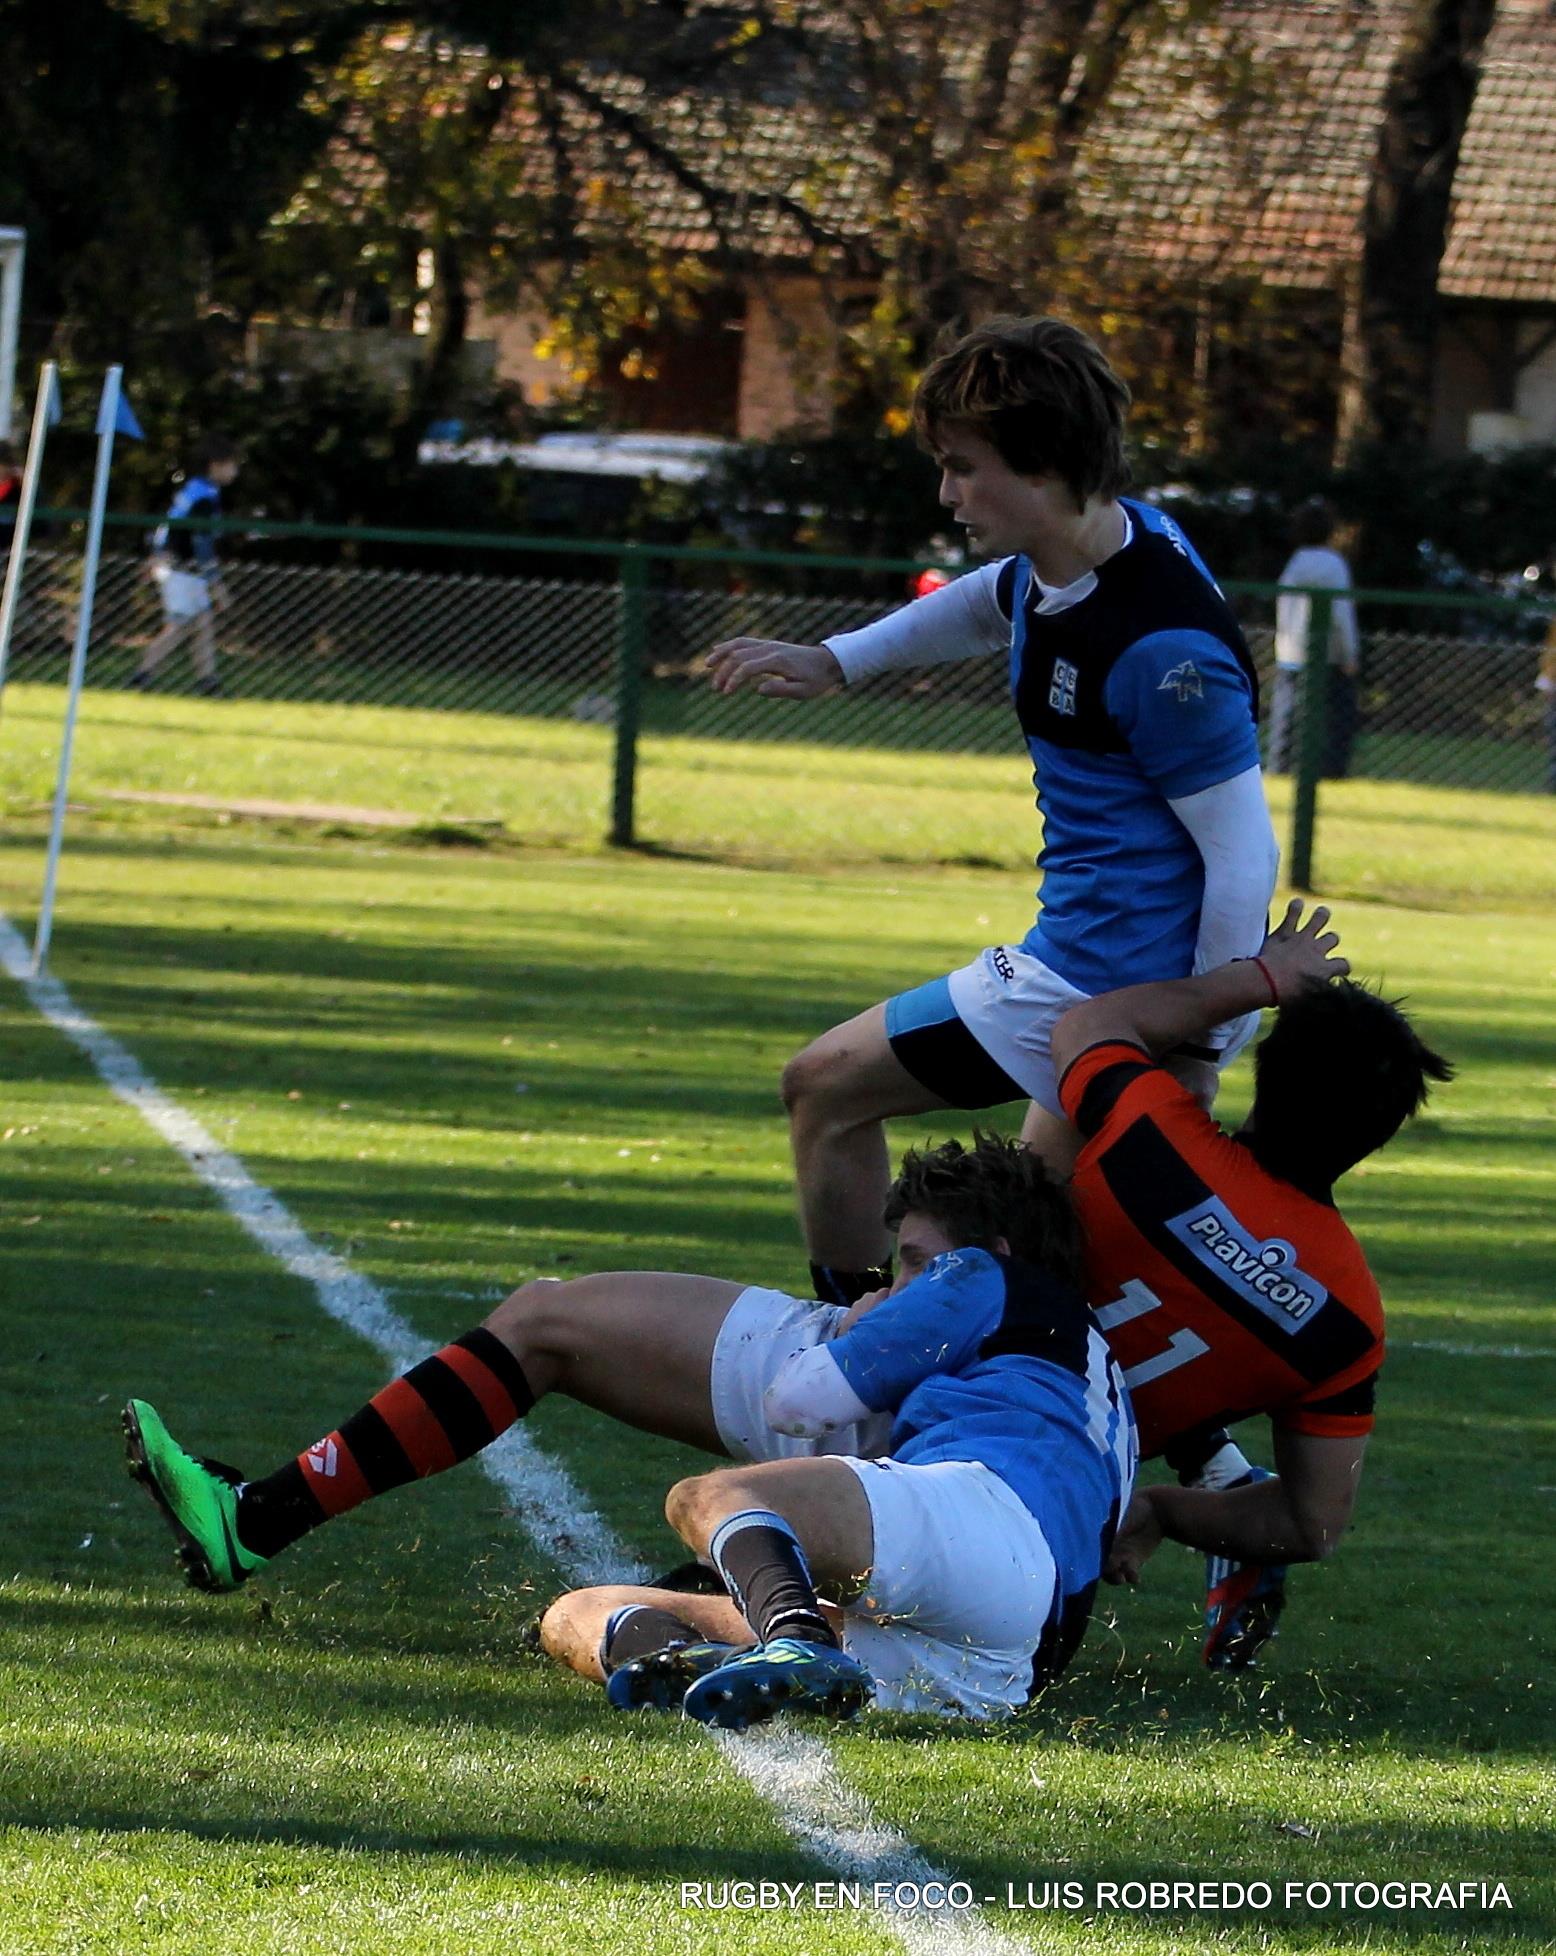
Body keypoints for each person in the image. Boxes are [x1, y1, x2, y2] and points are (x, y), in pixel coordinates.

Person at [705, 316, 1278, 1313]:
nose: (947, 495)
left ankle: (852, 1347)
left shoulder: (1159, 652)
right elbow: (992, 599)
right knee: (1031, 1265)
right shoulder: (1083, 554)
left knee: (832, 1098)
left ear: (1045, 464)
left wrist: (1193, 1049)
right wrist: (836, 659)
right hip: (1083, 975)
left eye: (963, 469)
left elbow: (1241, 860)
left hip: (1097, 990)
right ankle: (1196, 1459)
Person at [539, 1149, 1135, 1726]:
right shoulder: (1092, 1380)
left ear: (994, 1252)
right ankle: (707, 1668)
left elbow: (797, 1400)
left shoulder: (984, 1274)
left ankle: (797, 1641)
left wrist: (860, 1323)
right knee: (576, 1613)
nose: (901, 1287)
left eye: (916, 1264)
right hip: (1013, 1655)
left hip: (990, 1528)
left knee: (707, 1498)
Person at [1047, 900, 1453, 1660]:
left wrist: (1260, 980)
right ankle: (1216, 1471)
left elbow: (1083, 1026)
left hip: (906, 1433)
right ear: (1381, 1133)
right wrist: (1165, 1512)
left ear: (1267, 1075)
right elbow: (1314, 1523)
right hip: (1041, 1577)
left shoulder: (1151, 1130)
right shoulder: (1348, 1320)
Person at [131, 435, 240, 696]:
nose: (236, 470)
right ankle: (141, 676)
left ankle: (208, 682)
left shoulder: (195, 489)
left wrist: (156, 553)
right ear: (216, 464)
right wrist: (215, 582)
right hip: (181, 568)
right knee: (181, 624)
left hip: (174, 564)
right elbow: (200, 541)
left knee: (202, 623)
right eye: (233, 464)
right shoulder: (204, 497)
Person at [1268, 497, 1360, 778]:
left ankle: (1279, 765)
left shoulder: (1295, 562)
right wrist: (1349, 654)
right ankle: (1333, 770)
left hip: (1291, 652)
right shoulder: (1333, 565)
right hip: (1328, 656)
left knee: (1287, 714)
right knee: (1337, 717)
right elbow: (1341, 614)